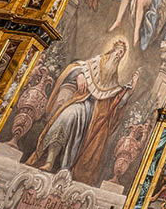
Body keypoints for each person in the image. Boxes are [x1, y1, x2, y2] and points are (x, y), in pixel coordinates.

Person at [30, 40, 139, 184]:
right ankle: (50, 160)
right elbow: (74, 68)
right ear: (112, 51)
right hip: (80, 102)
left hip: (95, 114)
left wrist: (130, 90)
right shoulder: (95, 63)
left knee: (86, 134)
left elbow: (118, 104)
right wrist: (79, 74)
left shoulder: (113, 80)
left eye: (121, 54)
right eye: (118, 52)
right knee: (67, 116)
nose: (118, 55)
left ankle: (66, 167)